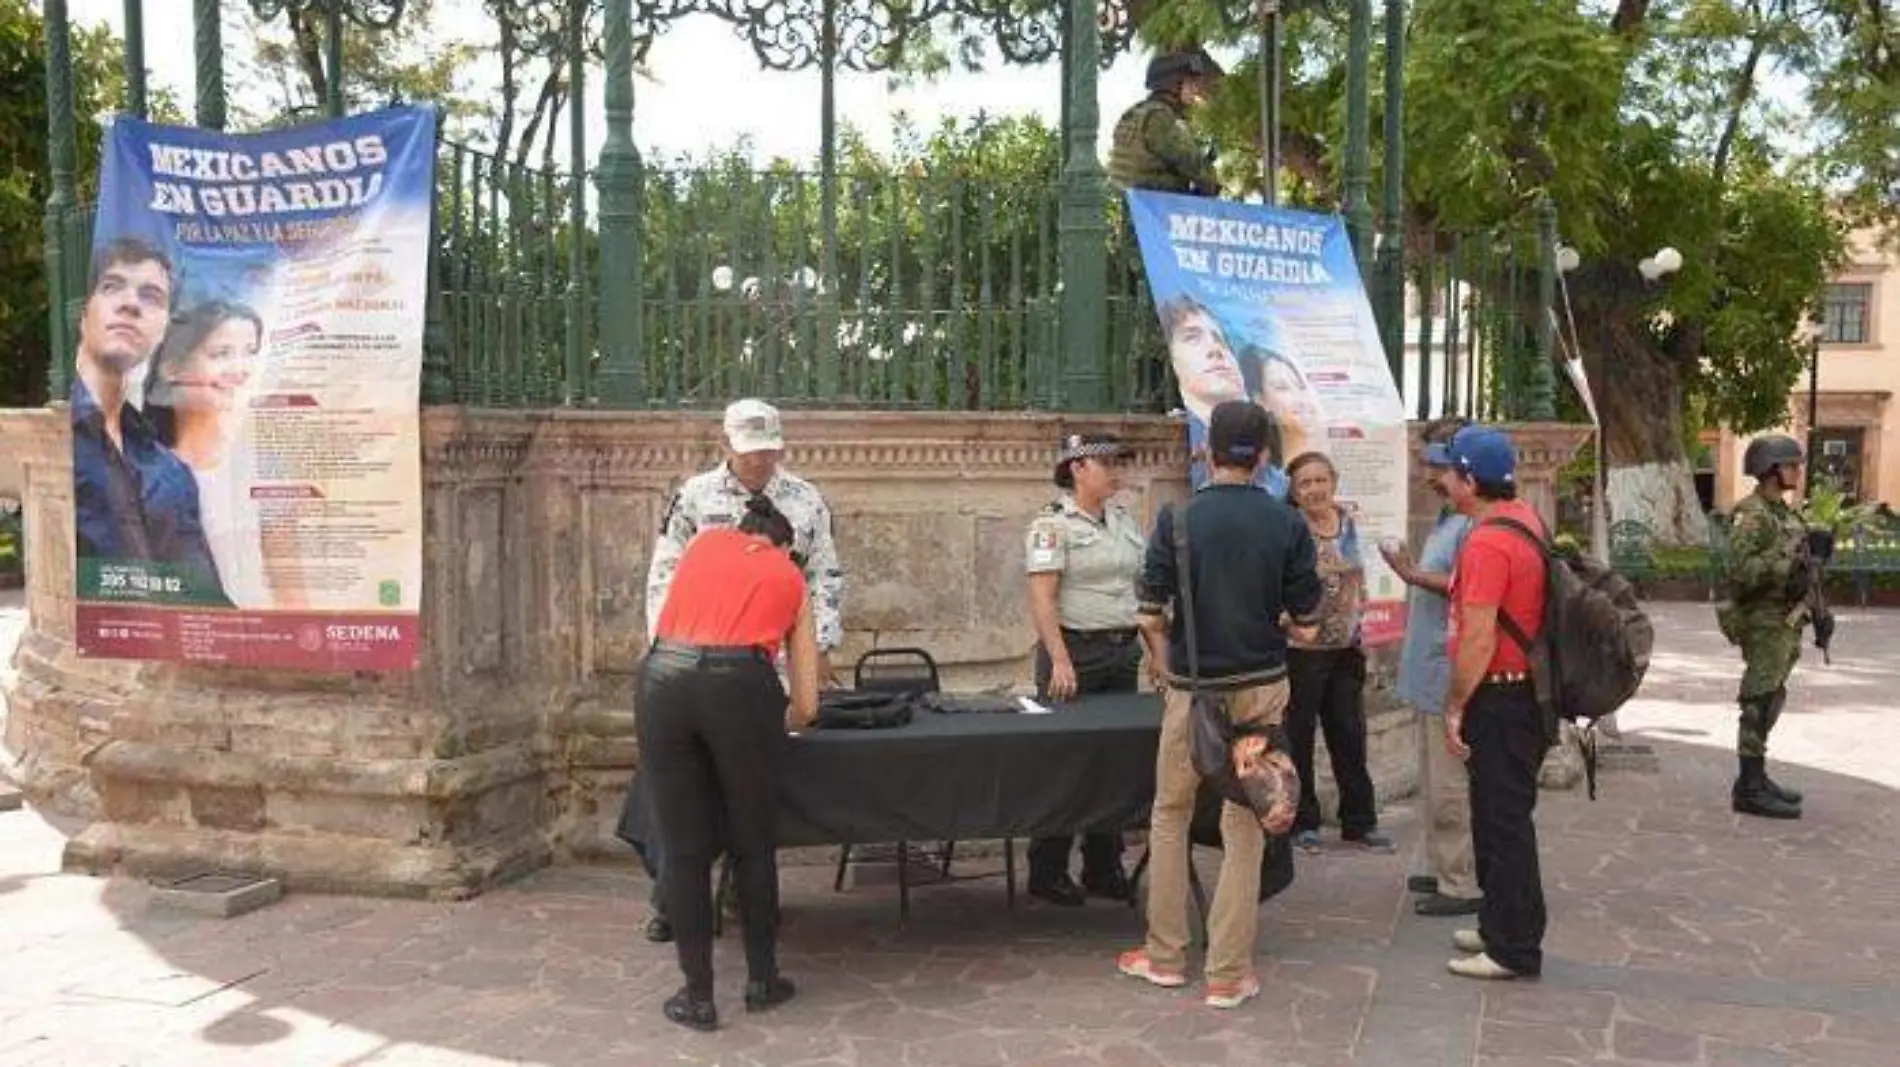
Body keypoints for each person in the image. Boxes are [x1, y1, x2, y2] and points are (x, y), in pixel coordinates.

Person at [1118, 400, 1323, 1010]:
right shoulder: (1287, 525)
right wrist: (1278, 622)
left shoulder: (1177, 520)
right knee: (1245, 822)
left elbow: (1149, 614)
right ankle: (1229, 972)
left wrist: (1163, 658)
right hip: (1262, 688)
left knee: (1170, 813)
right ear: (1263, 458)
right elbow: (1309, 624)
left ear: (1208, 454)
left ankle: (1164, 956)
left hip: (1191, 690)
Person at [642, 398, 846, 940]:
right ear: (725, 446)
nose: (760, 463)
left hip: (771, 665)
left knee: (752, 789)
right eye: (750, 452)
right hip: (696, 665)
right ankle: (674, 902)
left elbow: (824, 577)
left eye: (769, 452)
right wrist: (666, 654)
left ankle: (742, 897)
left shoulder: (805, 500)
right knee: (689, 787)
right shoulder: (694, 497)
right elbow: (663, 578)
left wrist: (817, 649)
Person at [638, 494, 821, 1032]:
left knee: (686, 851)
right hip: (740, 685)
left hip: (662, 680)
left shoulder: (701, 544)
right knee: (751, 843)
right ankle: (763, 982)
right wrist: (775, 719)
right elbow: (807, 705)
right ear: (786, 545)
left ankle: (697, 998)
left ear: (744, 529)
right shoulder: (790, 577)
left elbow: (675, 619)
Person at [1436, 425, 1550, 981]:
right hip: (1521, 693)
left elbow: (1478, 637)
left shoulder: (1486, 542)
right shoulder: (1523, 518)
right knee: (1500, 817)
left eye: (1450, 471)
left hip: (1500, 693)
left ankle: (1513, 947)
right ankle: (1497, 922)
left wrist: (1456, 704)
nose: (1443, 479)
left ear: (1470, 480)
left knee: (1503, 824)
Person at [1023, 433, 1147, 906]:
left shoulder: (1122, 520)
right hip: (1075, 651)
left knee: (1113, 762)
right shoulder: (1051, 525)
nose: (1115, 471)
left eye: (1117, 462)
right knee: (1066, 762)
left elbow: (1136, 588)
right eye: (1106, 463)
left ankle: (1103, 863)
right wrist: (1059, 658)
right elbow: (1042, 598)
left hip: (1121, 649)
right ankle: (1049, 867)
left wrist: (1154, 652)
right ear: (1077, 468)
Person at [70, 237, 228, 604]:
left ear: (161, 333)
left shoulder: (170, 470)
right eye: (112, 287)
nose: (130, 304)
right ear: (84, 316)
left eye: (151, 296)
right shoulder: (55, 438)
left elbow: (204, 597)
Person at [1381, 418, 1481, 917]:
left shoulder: (1476, 524)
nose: (1427, 474)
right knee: (1433, 776)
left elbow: (1468, 589)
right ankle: (1442, 865)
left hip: (1449, 671)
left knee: (1449, 784)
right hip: (1429, 668)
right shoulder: (1449, 518)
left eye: (1434, 465)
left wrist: (1410, 574)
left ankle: (1460, 881)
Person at [1281, 452, 1391, 854]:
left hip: (1347, 647)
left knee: (1349, 733)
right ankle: (1302, 822)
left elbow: (1360, 579)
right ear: (1294, 492)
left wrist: (1361, 621)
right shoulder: (1290, 530)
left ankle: (1359, 822)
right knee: (1300, 736)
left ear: (1334, 481)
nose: (1314, 490)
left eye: (1319, 480)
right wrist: (1289, 622)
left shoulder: (1349, 525)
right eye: (1304, 484)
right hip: (1302, 650)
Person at [144, 300, 276, 608]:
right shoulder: (144, 474)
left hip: (267, 642)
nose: (241, 369)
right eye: (221, 354)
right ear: (171, 367)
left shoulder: (264, 463)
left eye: (250, 351)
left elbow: (291, 589)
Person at [1717, 434, 1813, 820]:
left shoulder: (1784, 513)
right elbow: (1740, 572)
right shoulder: (1751, 514)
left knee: (1772, 697)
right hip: (1762, 621)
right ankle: (1750, 787)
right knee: (1757, 700)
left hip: (1785, 620)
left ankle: (1756, 777)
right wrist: (1784, 559)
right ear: (1771, 469)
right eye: (1791, 465)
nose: (1796, 471)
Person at [1107, 47, 1224, 196]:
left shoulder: (1137, 112)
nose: (1195, 90)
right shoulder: (1160, 117)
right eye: (1190, 83)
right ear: (1173, 84)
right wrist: (1211, 185)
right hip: (1155, 209)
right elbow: (1192, 164)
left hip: (1132, 205)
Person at [1251, 349, 1323, 464]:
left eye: (1300, 387)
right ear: (1260, 400)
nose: (1300, 398)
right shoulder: (1264, 471)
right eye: (1281, 387)